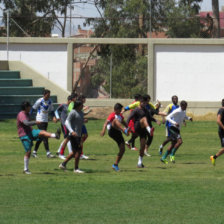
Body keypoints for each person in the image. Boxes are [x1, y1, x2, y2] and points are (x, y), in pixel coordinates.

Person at [17, 101, 61, 174]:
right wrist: (35, 122)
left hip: (31, 132)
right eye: (29, 106)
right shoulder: (21, 114)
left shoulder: (27, 113)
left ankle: (55, 135)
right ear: (26, 107)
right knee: (28, 152)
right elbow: (26, 123)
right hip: (24, 135)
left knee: (42, 132)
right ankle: (25, 169)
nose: (30, 107)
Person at [126, 95, 157, 168]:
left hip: (143, 130)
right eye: (143, 103)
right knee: (144, 119)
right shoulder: (136, 110)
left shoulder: (146, 109)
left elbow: (150, 117)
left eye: (145, 103)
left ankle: (139, 163)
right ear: (140, 102)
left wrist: (156, 120)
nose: (144, 104)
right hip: (137, 126)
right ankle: (149, 130)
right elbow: (129, 117)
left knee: (142, 146)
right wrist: (126, 127)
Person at [59, 100, 87, 173]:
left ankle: (63, 164)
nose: (83, 106)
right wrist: (72, 131)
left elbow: (78, 121)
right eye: (81, 105)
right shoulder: (73, 112)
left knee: (74, 152)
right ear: (78, 106)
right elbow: (67, 122)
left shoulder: (81, 112)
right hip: (74, 135)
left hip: (79, 134)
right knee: (78, 151)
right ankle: (76, 169)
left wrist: (84, 121)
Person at [101, 103, 129, 171]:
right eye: (119, 110)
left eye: (120, 110)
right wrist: (103, 130)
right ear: (115, 110)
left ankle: (115, 165)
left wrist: (128, 128)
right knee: (115, 121)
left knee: (122, 149)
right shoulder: (112, 115)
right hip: (112, 131)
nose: (120, 111)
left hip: (118, 132)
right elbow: (105, 123)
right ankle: (123, 131)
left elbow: (123, 122)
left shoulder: (120, 116)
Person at [30, 89, 56, 158]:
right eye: (47, 95)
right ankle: (48, 153)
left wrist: (53, 117)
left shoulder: (50, 101)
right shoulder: (40, 100)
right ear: (44, 95)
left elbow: (52, 110)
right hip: (40, 120)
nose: (49, 96)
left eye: (49, 95)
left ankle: (34, 152)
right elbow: (33, 108)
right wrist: (28, 116)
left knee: (41, 137)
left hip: (45, 120)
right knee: (45, 136)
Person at [54, 95, 73, 160]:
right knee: (67, 138)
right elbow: (56, 111)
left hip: (69, 124)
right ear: (69, 100)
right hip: (64, 124)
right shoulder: (63, 105)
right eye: (72, 101)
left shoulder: (72, 107)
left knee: (67, 138)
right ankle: (66, 153)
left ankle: (59, 151)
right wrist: (58, 117)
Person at [77, 94, 92, 160]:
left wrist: (88, 111)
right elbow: (77, 113)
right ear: (81, 99)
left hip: (82, 123)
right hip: (79, 123)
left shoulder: (82, 105)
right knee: (80, 138)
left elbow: (82, 113)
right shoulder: (78, 104)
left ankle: (79, 146)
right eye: (84, 98)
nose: (85, 100)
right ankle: (80, 153)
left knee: (85, 135)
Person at [210, 99, 224, 166]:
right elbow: (218, 121)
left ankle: (214, 157)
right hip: (222, 132)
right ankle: (214, 157)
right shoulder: (221, 110)